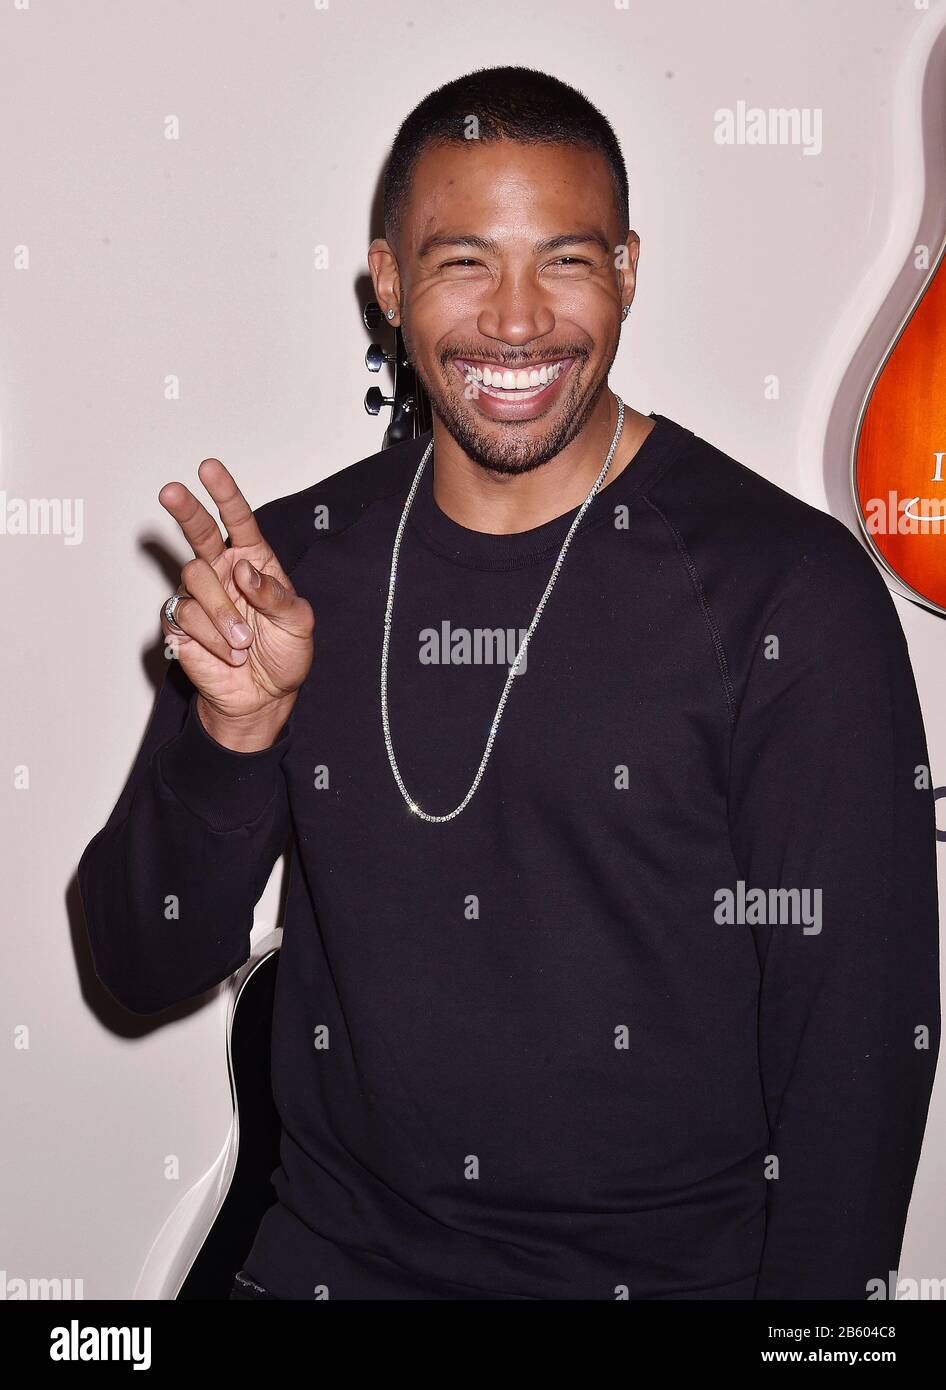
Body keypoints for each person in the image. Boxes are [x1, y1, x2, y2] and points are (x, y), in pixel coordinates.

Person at [78, 65, 941, 1301]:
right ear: (387, 282)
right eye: (465, 261)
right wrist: (233, 732)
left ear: (629, 271)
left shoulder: (787, 595)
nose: (519, 320)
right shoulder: (288, 569)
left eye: (568, 261)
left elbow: (856, 1050)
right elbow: (140, 963)